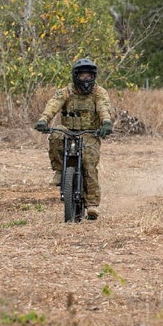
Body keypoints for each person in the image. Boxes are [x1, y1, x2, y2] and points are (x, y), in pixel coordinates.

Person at [34, 58, 113, 220]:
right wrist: (44, 120)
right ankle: (59, 170)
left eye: (89, 76)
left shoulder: (99, 92)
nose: (86, 79)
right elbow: (53, 105)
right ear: (75, 76)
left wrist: (106, 123)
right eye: (82, 76)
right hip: (68, 130)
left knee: (89, 163)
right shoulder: (65, 91)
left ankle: (92, 204)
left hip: (90, 133)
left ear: (94, 76)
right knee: (55, 135)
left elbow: (104, 107)